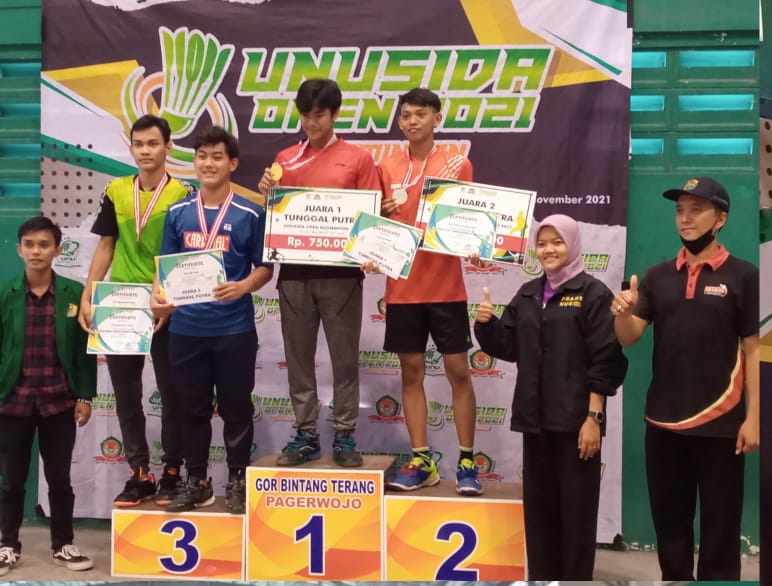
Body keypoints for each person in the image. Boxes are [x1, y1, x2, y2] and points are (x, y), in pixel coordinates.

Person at [612, 177, 759, 580]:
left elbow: (752, 349)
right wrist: (623, 311)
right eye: (680, 210)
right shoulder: (657, 276)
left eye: (697, 210)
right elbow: (628, 337)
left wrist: (754, 418)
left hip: (721, 425)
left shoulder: (745, 276)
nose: (685, 218)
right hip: (662, 424)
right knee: (670, 526)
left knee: (720, 530)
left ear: (721, 219)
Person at [474, 214, 627, 580]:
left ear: (572, 244)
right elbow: (509, 346)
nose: (549, 250)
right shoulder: (528, 293)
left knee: (576, 519)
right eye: (542, 244)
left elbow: (605, 359)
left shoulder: (593, 294)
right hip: (535, 424)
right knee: (540, 518)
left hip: (577, 427)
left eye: (557, 242)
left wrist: (594, 419)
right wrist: (486, 324)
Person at [257, 78, 380, 467]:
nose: (311, 123)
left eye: (319, 115)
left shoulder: (358, 159)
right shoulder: (285, 158)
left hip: (342, 276)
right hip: (294, 274)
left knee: (344, 359)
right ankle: (306, 434)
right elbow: (277, 215)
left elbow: (372, 217)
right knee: (298, 359)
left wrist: (370, 250)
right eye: (305, 115)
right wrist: (267, 194)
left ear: (335, 114)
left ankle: (344, 435)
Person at [151, 126, 273, 514]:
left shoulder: (251, 213)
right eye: (202, 156)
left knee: (236, 408)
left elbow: (265, 266)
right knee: (191, 409)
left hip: (234, 330)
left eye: (217, 156)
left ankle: (237, 478)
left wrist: (244, 286)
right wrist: (158, 297)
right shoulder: (177, 213)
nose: (208, 163)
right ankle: (197, 481)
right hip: (186, 330)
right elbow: (164, 268)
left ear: (232, 164)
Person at [369, 87, 482, 495]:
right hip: (402, 289)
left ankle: (466, 462)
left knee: (458, 372)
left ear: (437, 118)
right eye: (406, 115)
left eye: (420, 114)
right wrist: (372, 242)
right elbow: (375, 223)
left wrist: (477, 242)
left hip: (446, 286)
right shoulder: (386, 166)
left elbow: (467, 220)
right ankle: (422, 460)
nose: (412, 121)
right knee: (412, 372)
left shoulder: (457, 163)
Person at [79, 114, 193, 508]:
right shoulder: (116, 190)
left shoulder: (184, 193)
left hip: (165, 305)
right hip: (121, 303)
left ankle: (172, 471)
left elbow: (186, 253)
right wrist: (89, 294)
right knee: (126, 395)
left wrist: (170, 298)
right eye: (139, 144)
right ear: (131, 147)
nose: (145, 151)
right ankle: (139, 473)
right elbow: (106, 245)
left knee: (173, 392)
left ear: (168, 147)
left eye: (153, 143)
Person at [0, 216, 96, 575]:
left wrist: (84, 396)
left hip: (59, 403)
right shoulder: (5, 294)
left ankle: (63, 545)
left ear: (58, 250)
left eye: (44, 245)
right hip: (13, 402)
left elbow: (85, 351)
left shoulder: (74, 293)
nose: (36, 251)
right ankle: (7, 545)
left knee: (60, 480)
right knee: (12, 481)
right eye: (29, 245)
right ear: (19, 249)